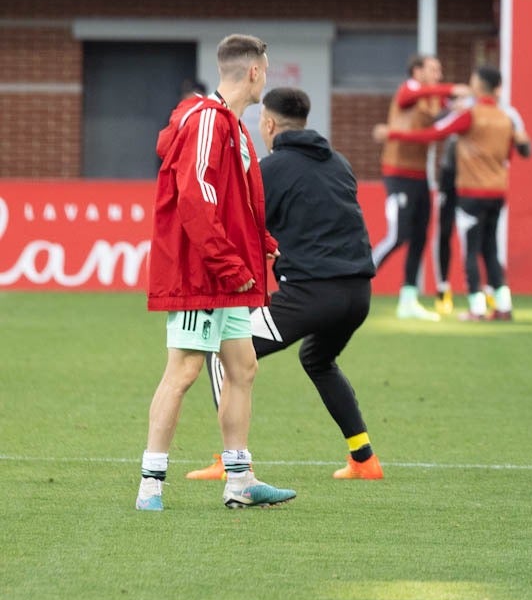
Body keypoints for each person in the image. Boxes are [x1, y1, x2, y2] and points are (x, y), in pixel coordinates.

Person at [188, 87, 386, 482]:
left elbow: (246, 228)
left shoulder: (269, 170)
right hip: (359, 293)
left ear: (269, 123)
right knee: (318, 359)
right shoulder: (340, 164)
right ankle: (364, 459)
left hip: (311, 295)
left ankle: (232, 461)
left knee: (221, 355)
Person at [137, 34, 297, 512]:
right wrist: (228, 262)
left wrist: (261, 245)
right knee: (183, 370)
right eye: (265, 69)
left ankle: (240, 479)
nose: (266, 77)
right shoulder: (208, 119)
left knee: (243, 368)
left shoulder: (230, 125)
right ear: (253, 72)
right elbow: (196, 196)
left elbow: (235, 203)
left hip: (226, 275)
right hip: (202, 273)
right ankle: (150, 485)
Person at [376, 67, 523, 322]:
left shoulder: (471, 114)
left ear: (478, 86)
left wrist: (392, 134)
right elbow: (514, 153)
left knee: (470, 249)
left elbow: (435, 134)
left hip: (471, 190)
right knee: (490, 247)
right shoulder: (505, 117)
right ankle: (503, 304)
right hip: (498, 190)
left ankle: (476, 307)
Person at [372, 54, 467, 322]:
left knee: (419, 237)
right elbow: (407, 100)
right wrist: (451, 89)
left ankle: (408, 299)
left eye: (440, 69)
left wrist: (454, 108)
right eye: (434, 69)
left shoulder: (433, 97)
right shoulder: (410, 88)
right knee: (398, 235)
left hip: (420, 176)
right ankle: (353, 280)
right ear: (417, 70)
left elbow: (437, 124)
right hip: (398, 173)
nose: (439, 74)